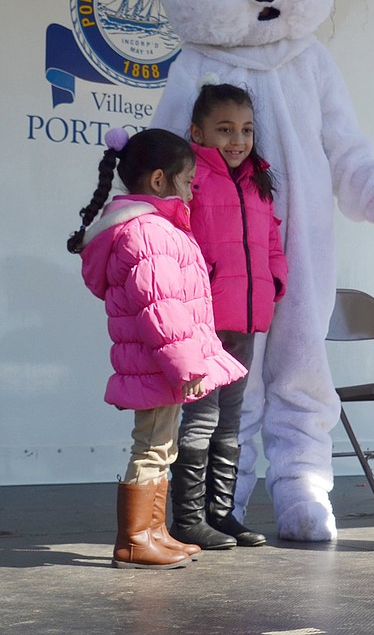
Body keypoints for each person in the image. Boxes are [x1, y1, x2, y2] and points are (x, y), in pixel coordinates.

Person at [67, 127, 247, 569]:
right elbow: (159, 308)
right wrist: (187, 365)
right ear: (160, 180)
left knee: (161, 447)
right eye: (188, 181)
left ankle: (153, 532)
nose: (191, 191)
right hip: (160, 365)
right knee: (150, 447)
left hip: (158, 366)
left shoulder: (155, 227)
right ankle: (133, 541)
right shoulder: (148, 232)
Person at [169, 80, 288, 550]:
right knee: (202, 414)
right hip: (204, 319)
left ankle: (221, 513)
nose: (237, 140)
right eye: (225, 129)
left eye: (246, 130)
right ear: (198, 132)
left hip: (246, 316)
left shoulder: (259, 180)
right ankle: (188, 518)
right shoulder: (191, 176)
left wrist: (274, 280)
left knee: (232, 417)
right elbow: (177, 240)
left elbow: (272, 238)